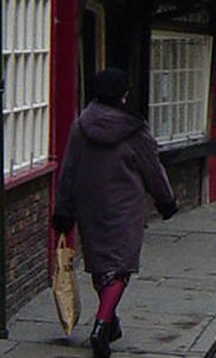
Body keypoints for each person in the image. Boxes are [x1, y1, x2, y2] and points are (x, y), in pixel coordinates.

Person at [53, 68, 177, 357]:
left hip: (89, 204)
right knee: (120, 267)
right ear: (123, 96)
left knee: (100, 264)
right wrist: (166, 201)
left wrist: (63, 210)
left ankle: (110, 322)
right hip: (125, 208)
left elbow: (69, 169)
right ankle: (100, 326)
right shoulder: (134, 130)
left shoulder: (80, 125)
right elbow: (152, 169)